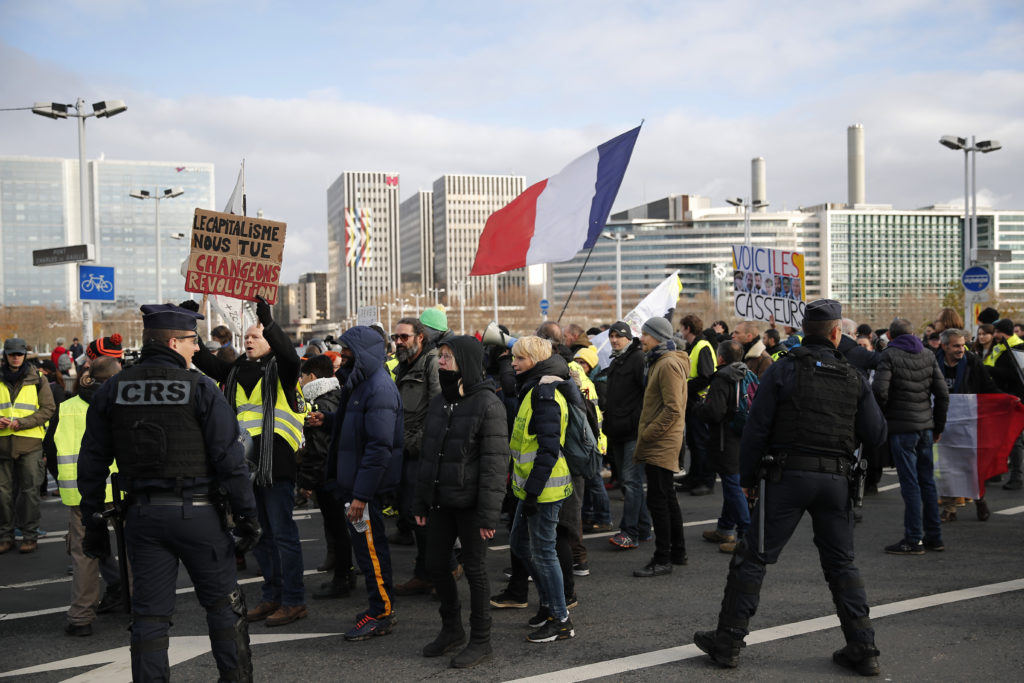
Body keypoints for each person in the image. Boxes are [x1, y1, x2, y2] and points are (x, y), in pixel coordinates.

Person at [694, 299, 887, 676]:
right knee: (842, 564)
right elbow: (877, 434)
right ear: (836, 333)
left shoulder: (785, 369)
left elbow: (756, 428)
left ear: (805, 329)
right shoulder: (852, 375)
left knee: (753, 558)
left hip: (786, 476)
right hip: (835, 480)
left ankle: (728, 641)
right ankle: (864, 648)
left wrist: (747, 480)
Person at [76, 303, 261, 682]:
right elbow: (229, 460)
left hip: (142, 518)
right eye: (193, 341)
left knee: (149, 618)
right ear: (174, 341)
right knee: (225, 608)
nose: (198, 348)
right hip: (199, 515)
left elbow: (92, 461)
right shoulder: (201, 388)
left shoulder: (113, 389)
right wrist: (248, 517)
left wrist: (93, 520)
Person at [192, 297, 307, 627]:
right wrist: (191, 326)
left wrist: (268, 321)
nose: (249, 340)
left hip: (276, 461)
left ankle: (294, 600)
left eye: (256, 336)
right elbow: (204, 361)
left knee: (283, 534)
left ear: (270, 341)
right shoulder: (235, 369)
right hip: (244, 466)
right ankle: (272, 597)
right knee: (261, 536)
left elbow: (289, 354)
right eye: (247, 337)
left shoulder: (282, 368)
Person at [413, 336, 509, 668]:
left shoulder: (488, 404)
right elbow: (428, 457)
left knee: (476, 571)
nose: (440, 361)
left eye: (447, 357)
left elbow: (495, 466)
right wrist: (421, 502)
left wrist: (488, 516)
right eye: (439, 356)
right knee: (436, 565)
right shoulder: (441, 402)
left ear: (465, 361)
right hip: (441, 501)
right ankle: (452, 630)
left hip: (472, 506)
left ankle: (481, 640)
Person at [308, 326, 403, 641]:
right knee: (366, 552)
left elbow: (379, 447)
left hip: (364, 490)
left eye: (347, 349)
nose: (340, 354)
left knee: (372, 553)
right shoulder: (359, 383)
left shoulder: (378, 388)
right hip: (353, 485)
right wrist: (330, 420)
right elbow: (357, 425)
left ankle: (381, 613)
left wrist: (361, 496)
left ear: (363, 352)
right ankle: (378, 605)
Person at [44, 358, 123, 636]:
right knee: (134, 549)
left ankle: (81, 618)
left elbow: (50, 451)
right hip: (122, 490)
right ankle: (141, 606)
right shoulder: (123, 405)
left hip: (79, 492)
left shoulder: (65, 409)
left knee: (84, 553)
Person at [507, 335, 576, 642]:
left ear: (533, 361)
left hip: (544, 489)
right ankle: (549, 604)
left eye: (519, 358)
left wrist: (533, 492)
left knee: (544, 552)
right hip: (532, 487)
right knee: (520, 545)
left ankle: (561, 619)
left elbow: (548, 450)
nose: (513, 363)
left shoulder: (545, 395)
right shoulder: (534, 388)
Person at [873, 317, 949, 554]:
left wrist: (884, 417)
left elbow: (879, 391)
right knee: (927, 481)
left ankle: (913, 538)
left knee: (910, 484)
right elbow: (942, 394)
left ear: (890, 335)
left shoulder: (889, 355)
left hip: (902, 428)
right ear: (913, 333)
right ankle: (934, 537)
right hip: (925, 427)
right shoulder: (927, 354)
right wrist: (938, 427)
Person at [632, 317, 689, 577]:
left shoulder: (666, 364)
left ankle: (663, 558)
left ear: (656, 336)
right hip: (662, 440)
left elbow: (673, 408)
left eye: (645, 334)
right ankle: (677, 552)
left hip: (661, 441)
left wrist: (649, 433)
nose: (641, 338)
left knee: (659, 501)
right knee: (667, 497)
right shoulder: (660, 361)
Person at [391, 317, 444, 596]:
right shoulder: (403, 365)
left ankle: (439, 572)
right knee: (412, 515)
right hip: (405, 450)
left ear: (420, 337)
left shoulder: (432, 363)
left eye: (404, 337)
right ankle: (425, 572)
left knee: (422, 516)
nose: (399, 342)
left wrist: (414, 442)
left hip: (421, 452)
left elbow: (438, 410)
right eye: (396, 337)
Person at [295, 355, 355, 598]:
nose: (299, 381)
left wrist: (306, 482)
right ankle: (345, 573)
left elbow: (319, 449)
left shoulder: (320, 403)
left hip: (328, 476)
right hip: (337, 473)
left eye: (302, 376)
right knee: (340, 527)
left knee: (337, 527)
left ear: (312, 377)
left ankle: (342, 577)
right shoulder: (336, 395)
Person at [935, 328, 998, 521]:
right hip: (942, 421)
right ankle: (949, 509)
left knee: (971, 465)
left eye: (963, 345)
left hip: (968, 422)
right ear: (944, 346)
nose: (961, 349)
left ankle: (980, 499)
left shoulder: (972, 362)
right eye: (956, 346)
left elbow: (988, 388)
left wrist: (1005, 400)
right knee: (945, 466)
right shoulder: (933, 362)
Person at [0, 338, 56, 554]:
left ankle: (29, 535)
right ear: (5, 355)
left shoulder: (38, 378)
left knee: (30, 492)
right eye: (12, 354)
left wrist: (21, 423)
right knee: (3, 494)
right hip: (3, 445)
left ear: (25, 355)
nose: (15, 357)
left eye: (19, 354)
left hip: (30, 443)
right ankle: (6, 536)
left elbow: (48, 409)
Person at [696, 340, 751, 554]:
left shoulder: (722, 377)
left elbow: (715, 412)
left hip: (724, 439)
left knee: (733, 486)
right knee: (732, 484)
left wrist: (699, 407)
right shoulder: (746, 373)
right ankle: (725, 528)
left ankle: (746, 536)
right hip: (743, 435)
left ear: (720, 358)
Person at [602, 321, 652, 550]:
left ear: (628, 338)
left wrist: (637, 420)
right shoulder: (617, 359)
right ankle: (643, 528)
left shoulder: (638, 359)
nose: (614, 340)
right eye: (611, 336)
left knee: (632, 483)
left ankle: (629, 532)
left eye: (618, 336)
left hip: (632, 431)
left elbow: (647, 393)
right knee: (626, 482)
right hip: (617, 430)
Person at [677, 314, 717, 497]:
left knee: (701, 444)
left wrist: (684, 386)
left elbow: (706, 376)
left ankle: (705, 481)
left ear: (688, 328)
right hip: (693, 402)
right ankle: (694, 477)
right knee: (694, 444)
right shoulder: (694, 346)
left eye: (682, 328)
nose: (681, 331)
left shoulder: (702, 346)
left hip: (700, 402)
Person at [986, 319, 1024, 490]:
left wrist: (989, 370)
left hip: (1014, 399)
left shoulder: (1017, 348)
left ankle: (1017, 476)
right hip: (1001, 397)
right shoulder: (1002, 348)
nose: (994, 335)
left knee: (1014, 438)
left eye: (996, 332)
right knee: (998, 437)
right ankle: (996, 472)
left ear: (1003, 333)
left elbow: (1014, 376)